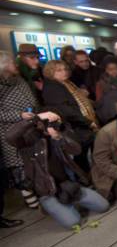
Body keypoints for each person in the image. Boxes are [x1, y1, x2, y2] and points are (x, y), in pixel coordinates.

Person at [6, 111, 109, 229]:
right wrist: (36, 118)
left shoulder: (59, 134)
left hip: (69, 186)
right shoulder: (28, 140)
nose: (49, 125)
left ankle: (67, 201)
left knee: (103, 206)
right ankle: (49, 206)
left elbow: (76, 150)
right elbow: (9, 137)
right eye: (46, 122)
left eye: (52, 122)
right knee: (73, 222)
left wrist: (58, 137)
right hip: (48, 192)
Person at [41, 60, 98, 172]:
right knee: (80, 157)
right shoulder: (52, 88)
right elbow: (67, 111)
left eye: (65, 69)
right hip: (74, 126)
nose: (64, 72)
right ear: (50, 72)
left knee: (85, 155)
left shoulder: (66, 83)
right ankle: (86, 180)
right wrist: (87, 122)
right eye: (59, 70)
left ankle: (90, 177)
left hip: (80, 125)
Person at [0, 51, 39, 211]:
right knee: (20, 166)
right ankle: (31, 201)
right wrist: (19, 115)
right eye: (11, 62)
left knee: (34, 162)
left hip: (30, 127)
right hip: (12, 132)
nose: (15, 64)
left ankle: (42, 192)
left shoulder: (18, 79)